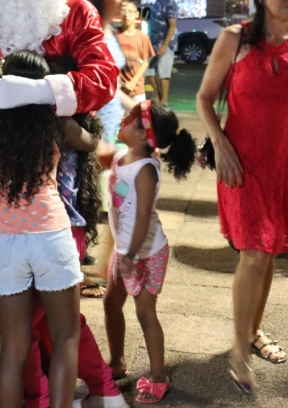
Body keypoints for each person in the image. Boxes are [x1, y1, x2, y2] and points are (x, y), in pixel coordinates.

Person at [196, 0, 288, 393]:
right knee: (254, 253)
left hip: (284, 164)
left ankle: (252, 331)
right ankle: (238, 348)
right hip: (241, 164)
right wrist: (220, 145)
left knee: (270, 251)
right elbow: (204, 98)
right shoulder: (235, 39)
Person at [0, 51, 87, 408]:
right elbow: (91, 141)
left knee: (13, 347)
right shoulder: (55, 124)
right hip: (52, 236)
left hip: (2, 244)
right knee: (66, 337)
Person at [103, 101, 195, 404]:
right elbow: (97, 154)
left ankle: (159, 375)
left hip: (144, 253)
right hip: (125, 249)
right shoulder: (123, 156)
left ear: (143, 135)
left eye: (129, 118)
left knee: (145, 313)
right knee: (110, 303)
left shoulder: (145, 170)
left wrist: (129, 255)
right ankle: (116, 362)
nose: (122, 118)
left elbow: (142, 218)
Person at [84, 0, 129, 142]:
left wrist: (141, 108)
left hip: (112, 128)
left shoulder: (110, 32)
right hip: (94, 132)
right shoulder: (88, 36)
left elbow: (113, 88)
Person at [146, 0, 179, 104]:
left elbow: (172, 25)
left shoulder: (170, 4)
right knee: (149, 71)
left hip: (165, 44)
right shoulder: (157, 3)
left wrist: (165, 45)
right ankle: (158, 96)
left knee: (163, 73)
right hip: (152, 43)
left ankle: (164, 101)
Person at [117, 0, 154, 103]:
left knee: (140, 118)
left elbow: (145, 62)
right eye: (124, 11)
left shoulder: (142, 37)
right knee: (116, 119)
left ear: (136, 14)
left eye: (130, 12)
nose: (127, 15)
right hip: (118, 90)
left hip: (137, 90)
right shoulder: (114, 35)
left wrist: (133, 82)